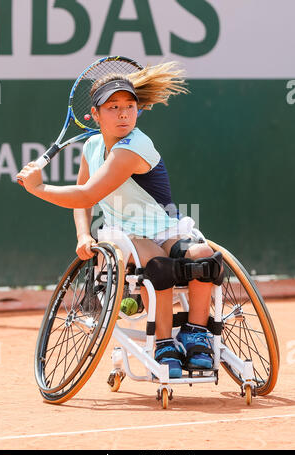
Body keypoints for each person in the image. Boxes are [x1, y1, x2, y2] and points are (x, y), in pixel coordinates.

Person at [17, 61, 216, 379]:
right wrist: (83, 236)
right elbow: (85, 199)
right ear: (94, 115)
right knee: (159, 267)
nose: (123, 113)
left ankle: (196, 333)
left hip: (164, 226)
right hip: (125, 233)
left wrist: (38, 188)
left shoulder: (134, 147)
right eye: (112, 107)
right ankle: (164, 343)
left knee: (204, 257)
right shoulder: (92, 147)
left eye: (129, 106)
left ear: (138, 111)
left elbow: (84, 195)